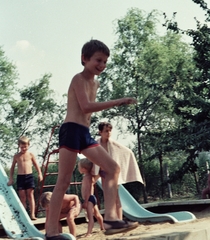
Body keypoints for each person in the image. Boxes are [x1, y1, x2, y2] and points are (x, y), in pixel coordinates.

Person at [46, 39, 138, 240]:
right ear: (84, 59)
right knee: (63, 180)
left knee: (113, 168)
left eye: (105, 62)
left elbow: (88, 113)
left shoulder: (95, 82)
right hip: (71, 130)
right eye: (98, 60)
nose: (102, 65)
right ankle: (51, 229)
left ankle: (112, 218)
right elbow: (86, 107)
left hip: (85, 134)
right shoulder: (78, 79)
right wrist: (118, 101)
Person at [92, 121, 144, 219]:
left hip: (112, 175)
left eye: (110, 131)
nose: (109, 133)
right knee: (107, 198)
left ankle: (119, 219)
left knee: (116, 198)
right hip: (103, 174)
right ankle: (112, 219)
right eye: (106, 131)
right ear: (100, 132)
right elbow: (93, 157)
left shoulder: (113, 144)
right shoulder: (96, 144)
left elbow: (127, 152)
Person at [7, 136, 43, 220]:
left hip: (29, 176)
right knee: (22, 197)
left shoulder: (30, 155)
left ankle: (32, 215)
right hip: (20, 177)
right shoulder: (16, 156)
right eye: (22, 147)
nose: (23, 148)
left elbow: (36, 165)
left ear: (28, 145)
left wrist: (40, 173)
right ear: (19, 145)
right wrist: (11, 178)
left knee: (30, 195)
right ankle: (24, 215)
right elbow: (12, 168)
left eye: (25, 147)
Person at [78, 158, 104, 237]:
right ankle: (102, 227)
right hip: (91, 198)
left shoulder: (88, 177)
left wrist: (86, 201)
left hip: (89, 199)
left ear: (83, 169)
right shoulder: (88, 176)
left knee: (90, 216)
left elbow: (88, 189)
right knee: (97, 214)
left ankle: (89, 233)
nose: (78, 168)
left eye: (79, 167)